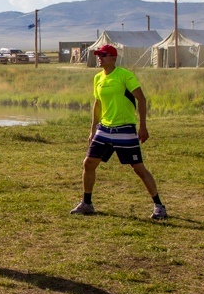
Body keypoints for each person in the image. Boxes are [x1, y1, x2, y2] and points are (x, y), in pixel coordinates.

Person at [70, 44, 167, 220]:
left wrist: (143, 126)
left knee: (138, 168)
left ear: (114, 58)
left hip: (124, 129)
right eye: (99, 55)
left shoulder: (125, 76)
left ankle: (159, 205)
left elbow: (142, 99)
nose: (100, 58)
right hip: (104, 129)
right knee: (89, 163)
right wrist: (93, 129)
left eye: (104, 55)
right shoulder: (98, 78)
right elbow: (97, 104)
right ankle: (87, 203)